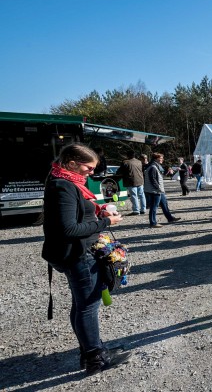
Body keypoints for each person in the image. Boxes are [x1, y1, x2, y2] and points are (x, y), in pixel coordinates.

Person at [42, 143, 130, 375]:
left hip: (76, 253)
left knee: (82, 305)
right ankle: (95, 358)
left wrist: (99, 211)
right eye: (88, 168)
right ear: (71, 164)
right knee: (88, 307)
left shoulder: (69, 183)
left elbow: (77, 213)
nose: (91, 172)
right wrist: (106, 223)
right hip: (78, 255)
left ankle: (91, 350)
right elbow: (68, 229)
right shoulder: (63, 186)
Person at [144, 153, 181, 228]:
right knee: (154, 206)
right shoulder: (153, 167)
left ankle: (170, 218)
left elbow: (159, 177)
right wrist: (158, 188)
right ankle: (153, 223)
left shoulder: (156, 166)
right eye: (161, 158)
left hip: (159, 190)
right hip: (155, 191)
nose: (162, 159)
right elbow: (153, 179)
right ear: (156, 158)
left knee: (164, 204)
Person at [117, 150, 146, 216]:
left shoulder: (125, 162)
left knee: (134, 196)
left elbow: (120, 171)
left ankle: (136, 210)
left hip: (131, 181)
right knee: (142, 195)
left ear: (127, 155)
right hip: (140, 180)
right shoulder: (139, 162)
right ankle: (143, 209)